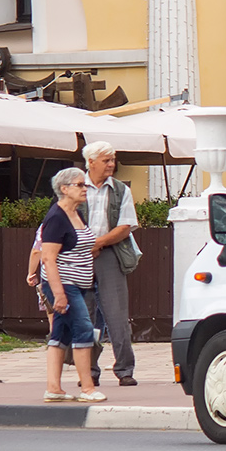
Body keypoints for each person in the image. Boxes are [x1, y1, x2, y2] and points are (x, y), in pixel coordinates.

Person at [38, 167, 107, 403]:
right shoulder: (56, 218)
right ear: (64, 189)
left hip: (78, 283)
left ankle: (53, 388)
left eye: (85, 185)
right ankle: (87, 388)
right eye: (80, 185)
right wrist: (59, 294)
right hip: (63, 284)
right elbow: (48, 257)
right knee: (84, 329)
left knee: (60, 334)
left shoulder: (76, 213)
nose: (84, 189)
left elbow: (81, 244)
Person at [79, 141, 140, 387]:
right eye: (106, 160)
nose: (112, 164)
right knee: (85, 316)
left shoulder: (120, 190)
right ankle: (89, 372)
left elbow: (125, 227)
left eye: (113, 160)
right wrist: (84, 245)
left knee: (117, 315)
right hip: (80, 257)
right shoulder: (74, 186)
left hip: (109, 254)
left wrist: (99, 243)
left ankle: (125, 370)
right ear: (91, 162)